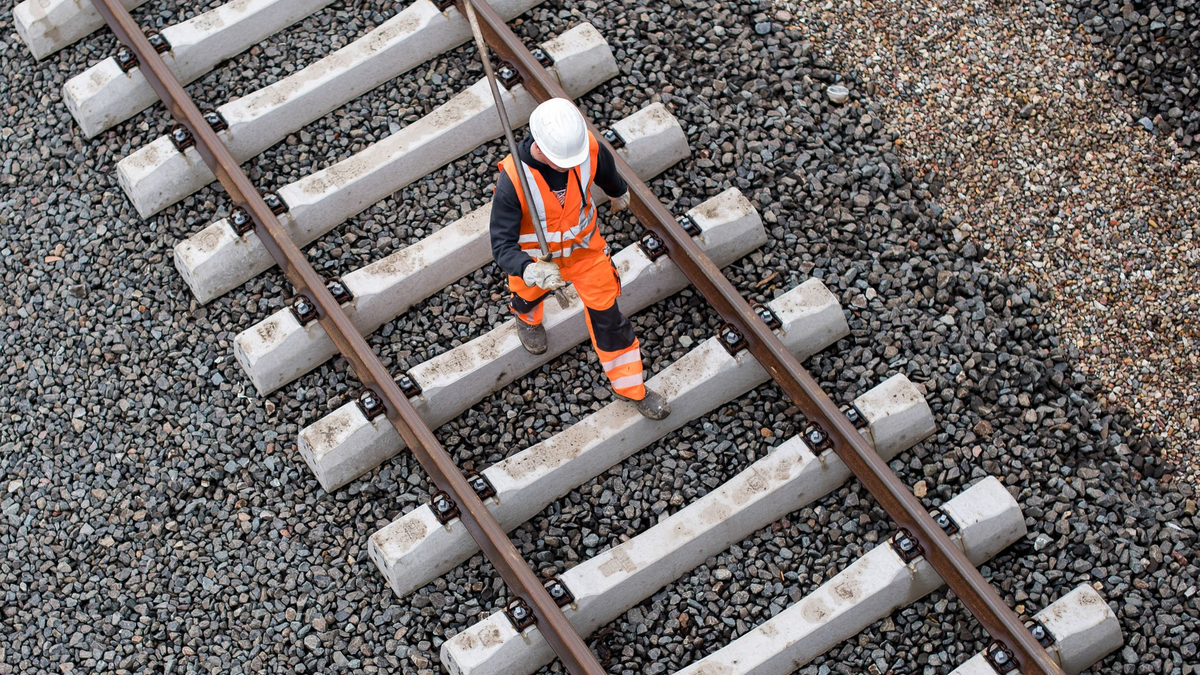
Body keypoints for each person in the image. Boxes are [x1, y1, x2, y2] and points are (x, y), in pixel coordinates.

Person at [489, 98, 670, 420]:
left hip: (585, 253)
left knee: (610, 318)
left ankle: (631, 388)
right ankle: (527, 319)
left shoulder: (585, 148)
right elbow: (501, 245)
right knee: (526, 297)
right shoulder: (513, 182)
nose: (571, 165)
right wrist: (528, 269)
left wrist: (617, 191)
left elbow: (604, 169)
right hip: (538, 262)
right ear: (540, 149)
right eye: (562, 161)